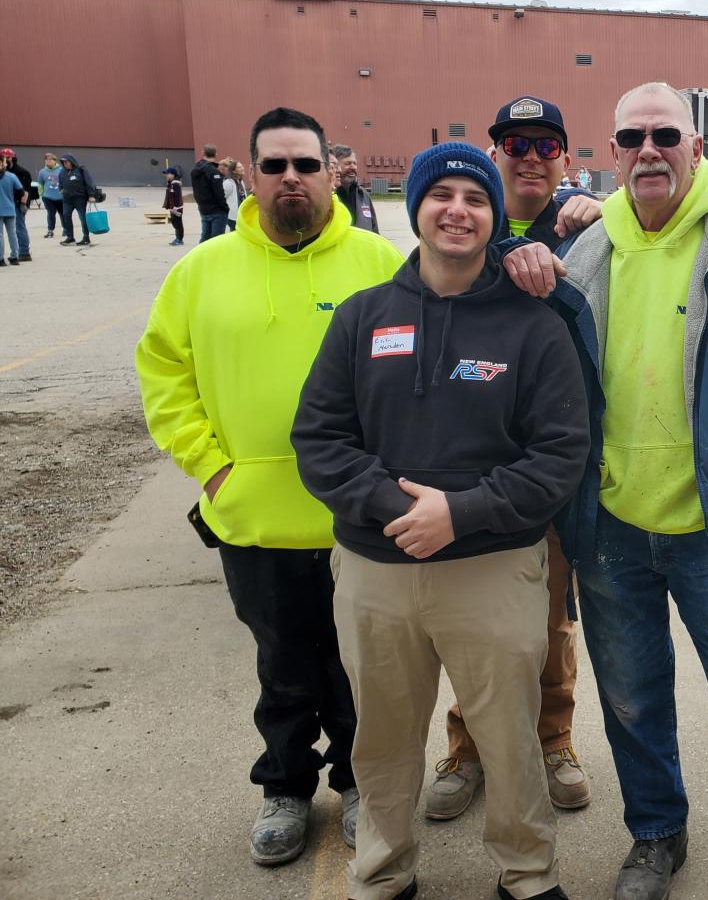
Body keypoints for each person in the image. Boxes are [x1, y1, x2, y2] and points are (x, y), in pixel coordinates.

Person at [510, 81, 708, 900]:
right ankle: (656, 837)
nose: (649, 150)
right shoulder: (580, 249)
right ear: (612, 154)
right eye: (632, 138)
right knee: (630, 700)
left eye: (665, 136)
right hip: (607, 525)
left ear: (696, 148)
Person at [292, 141, 588, 900]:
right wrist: (404, 512)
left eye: (476, 198)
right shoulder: (362, 317)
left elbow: (560, 453)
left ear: (495, 217)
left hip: (492, 566)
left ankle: (527, 873)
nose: (458, 211)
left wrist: (460, 514)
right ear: (416, 207)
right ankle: (384, 870)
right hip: (376, 567)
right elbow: (319, 439)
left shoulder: (533, 325)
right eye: (442, 195)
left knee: (510, 736)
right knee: (383, 736)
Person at [134, 107, 405, 869]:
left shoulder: (381, 264)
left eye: (306, 165)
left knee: (359, 671)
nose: (292, 178)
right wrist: (212, 465)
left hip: (359, 519)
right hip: (253, 517)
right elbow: (163, 372)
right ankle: (284, 787)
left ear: (331, 173)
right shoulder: (200, 271)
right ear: (248, 174)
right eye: (275, 165)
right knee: (282, 667)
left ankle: (358, 782)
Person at [424, 95, 603, 823]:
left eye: (545, 145)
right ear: (495, 152)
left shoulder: (591, 228)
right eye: (516, 145)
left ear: (566, 157)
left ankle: (553, 741)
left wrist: (607, 213)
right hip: (476, 460)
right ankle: (467, 747)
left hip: (555, 460)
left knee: (550, 618)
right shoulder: (470, 224)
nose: (530, 157)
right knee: (474, 620)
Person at [330, 145, 382, 233]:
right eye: (348, 164)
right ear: (335, 167)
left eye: (355, 163)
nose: (353, 167)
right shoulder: (329, 195)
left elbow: (374, 229)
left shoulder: (363, 195)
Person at [191, 142, 229, 241]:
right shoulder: (213, 171)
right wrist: (225, 208)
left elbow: (195, 190)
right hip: (217, 210)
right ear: (216, 154)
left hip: (203, 209)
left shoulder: (195, 169)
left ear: (203, 152)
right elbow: (219, 192)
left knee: (205, 238)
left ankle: (201, 251)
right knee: (217, 240)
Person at [1, 150, 33, 262]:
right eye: (4, 158)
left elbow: (26, 191)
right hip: (7, 203)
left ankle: (24, 252)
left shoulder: (22, 172)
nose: (6, 160)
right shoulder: (5, 172)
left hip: (18, 204)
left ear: (13, 158)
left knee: (19, 228)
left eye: (8, 157)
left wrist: (23, 204)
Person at [56, 153, 93, 247]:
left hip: (80, 198)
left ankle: (86, 238)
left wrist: (91, 195)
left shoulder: (80, 170)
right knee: (66, 216)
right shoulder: (62, 172)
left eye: (67, 162)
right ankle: (70, 238)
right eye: (63, 162)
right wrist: (60, 189)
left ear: (72, 161)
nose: (65, 164)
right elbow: (60, 182)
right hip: (67, 200)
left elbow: (89, 182)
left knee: (82, 218)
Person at [36, 153, 64, 237]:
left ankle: (66, 229)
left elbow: (65, 182)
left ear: (55, 160)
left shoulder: (61, 170)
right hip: (48, 197)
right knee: (51, 214)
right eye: (46, 159)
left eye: (50, 159)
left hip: (61, 197)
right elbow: (40, 184)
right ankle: (50, 230)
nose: (48, 161)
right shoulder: (42, 172)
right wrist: (41, 195)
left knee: (63, 214)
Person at [0, 162, 21, 266]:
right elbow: (21, 191)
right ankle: (14, 257)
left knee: (0, 235)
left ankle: (1, 259)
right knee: (12, 234)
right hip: (10, 208)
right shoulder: (11, 176)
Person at [162, 166, 185, 245]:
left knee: (178, 224)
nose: (166, 175)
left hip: (177, 207)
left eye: (167, 174)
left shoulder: (176, 183)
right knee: (174, 223)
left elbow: (177, 196)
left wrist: (175, 207)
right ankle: (178, 238)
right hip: (173, 207)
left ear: (173, 174)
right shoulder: (171, 182)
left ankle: (179, 239)